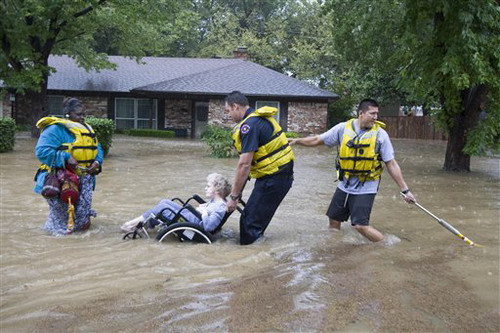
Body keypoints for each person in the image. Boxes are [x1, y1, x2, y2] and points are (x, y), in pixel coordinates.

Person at [289, 98, 416, 242]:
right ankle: (335, 247)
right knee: (334, 220)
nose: (375, 117)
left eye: (376, 114)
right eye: (372, 113)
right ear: (361, 113)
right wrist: (297, 141)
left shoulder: (381, 135)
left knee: (360, 226)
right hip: (345, 184)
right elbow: (317, 140)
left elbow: (391, 163)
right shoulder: (343, 128)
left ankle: (389, 244)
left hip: (366, 186)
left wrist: (405, 190)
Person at [225, 91, 295, 245]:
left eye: (228, 111)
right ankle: (257, 248)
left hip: (274, 178)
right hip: (279, 176)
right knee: (252, 218)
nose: (229, 115)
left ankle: (252, 260)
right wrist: (238, 192)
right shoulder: (257, 120)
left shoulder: (249, 126)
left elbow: (244, 164)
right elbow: (252, 164)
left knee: (249, 222)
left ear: (235, 106)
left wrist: (234, 197)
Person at [34, 97, 104, 235]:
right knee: (61, 222)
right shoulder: (55, 129)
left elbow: (98, 148)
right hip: (61, 179)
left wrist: (96, 162)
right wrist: (65, 157)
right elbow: (41, 152)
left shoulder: (86, 129)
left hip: (85, 179)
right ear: (68, 114)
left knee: (83, 220)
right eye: (78, 114)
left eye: (83, 114)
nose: (81, 117)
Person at [120, 173, 232, 233]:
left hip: (194, 222)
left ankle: (130, 224)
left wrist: (203, 212)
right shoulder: (215, 201)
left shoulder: (220, 207)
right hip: (193, 217)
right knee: (165, 201)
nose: (205, 188)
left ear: (217, 189)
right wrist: (203, 208)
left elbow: (208, 227)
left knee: (163, 208)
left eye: (208, 186)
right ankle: (142, 224)